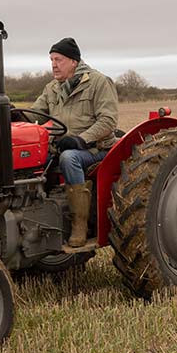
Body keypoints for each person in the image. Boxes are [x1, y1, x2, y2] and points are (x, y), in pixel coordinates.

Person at [26, 37, 119, 247]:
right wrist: (14, 115)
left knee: (69, 159)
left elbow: (108, 121)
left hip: (96, 148)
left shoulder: (98, 83)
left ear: (74, 61)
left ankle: (80, 225)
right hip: (62, 146)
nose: (53, 65)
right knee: (32, 159)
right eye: (51, 60)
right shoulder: (52, 88)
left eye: (58, 59)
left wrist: (81, 139)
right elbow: (35, 114)